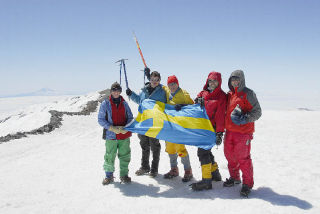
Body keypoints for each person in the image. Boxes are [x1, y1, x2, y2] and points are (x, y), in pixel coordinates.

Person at [223, 70, 262, 197]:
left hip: (243, 132)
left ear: (242, 80)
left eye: (237, 79)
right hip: (230, 131)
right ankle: (235, 178)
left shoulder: (248, 94)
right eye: (232, 79)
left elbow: (257, 112)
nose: (235, 81)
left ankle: (247, 184)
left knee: (243, 158)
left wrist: (245, 118)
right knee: (229, 156)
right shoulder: (230, 94)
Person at [126, 68, 167, 177]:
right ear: (150, 79)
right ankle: (145, 167)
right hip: (143, 122)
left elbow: (166, 105)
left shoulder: (162, 92)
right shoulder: (144, 90)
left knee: (155, 146)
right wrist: (131, 94)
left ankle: (154, 169)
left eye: (157, 79)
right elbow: (139, 100)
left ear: (159, 81)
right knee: (144, 145)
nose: (154, 81)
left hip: (154, 123)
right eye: (153, 79)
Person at [191, 71, 227, 191]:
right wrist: (197, 101)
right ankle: (215, 174)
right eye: (210, 80)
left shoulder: (221, 96)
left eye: (215, 81)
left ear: (219, 82)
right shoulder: (203, 92)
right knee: (206, 152)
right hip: (202, 128)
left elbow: (221, 116)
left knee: (202, 153)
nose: (212, 83)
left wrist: (219, 133)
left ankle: (207, 181)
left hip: (212, 129)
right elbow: (194, 103)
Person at [98, 82, 133, 185]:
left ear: (120, 91)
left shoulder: (124, 104)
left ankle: (124, 175)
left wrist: (126, 128)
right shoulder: (105, 103)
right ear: (111, 91)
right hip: (111, 135)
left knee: (125, 155)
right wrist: (111, 128)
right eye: (114, 90)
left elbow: (130, 118)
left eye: (118, 90)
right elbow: (100, 119)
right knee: (109, 155)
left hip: (124, 135)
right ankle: (109, 176)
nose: (116, 92)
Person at [162, 75, 194, 182]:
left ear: (178, 83)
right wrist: (148, 76)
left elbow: (193, 106)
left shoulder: (184, 94)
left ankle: (188, 170)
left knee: (180, 149)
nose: (172, 86)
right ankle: (174, 169)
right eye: (170, 84)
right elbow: (158, 86)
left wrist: (182, 105)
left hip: (179, 127)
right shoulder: (167, 91)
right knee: (170, 149)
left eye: (174, 84)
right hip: (169, 126)